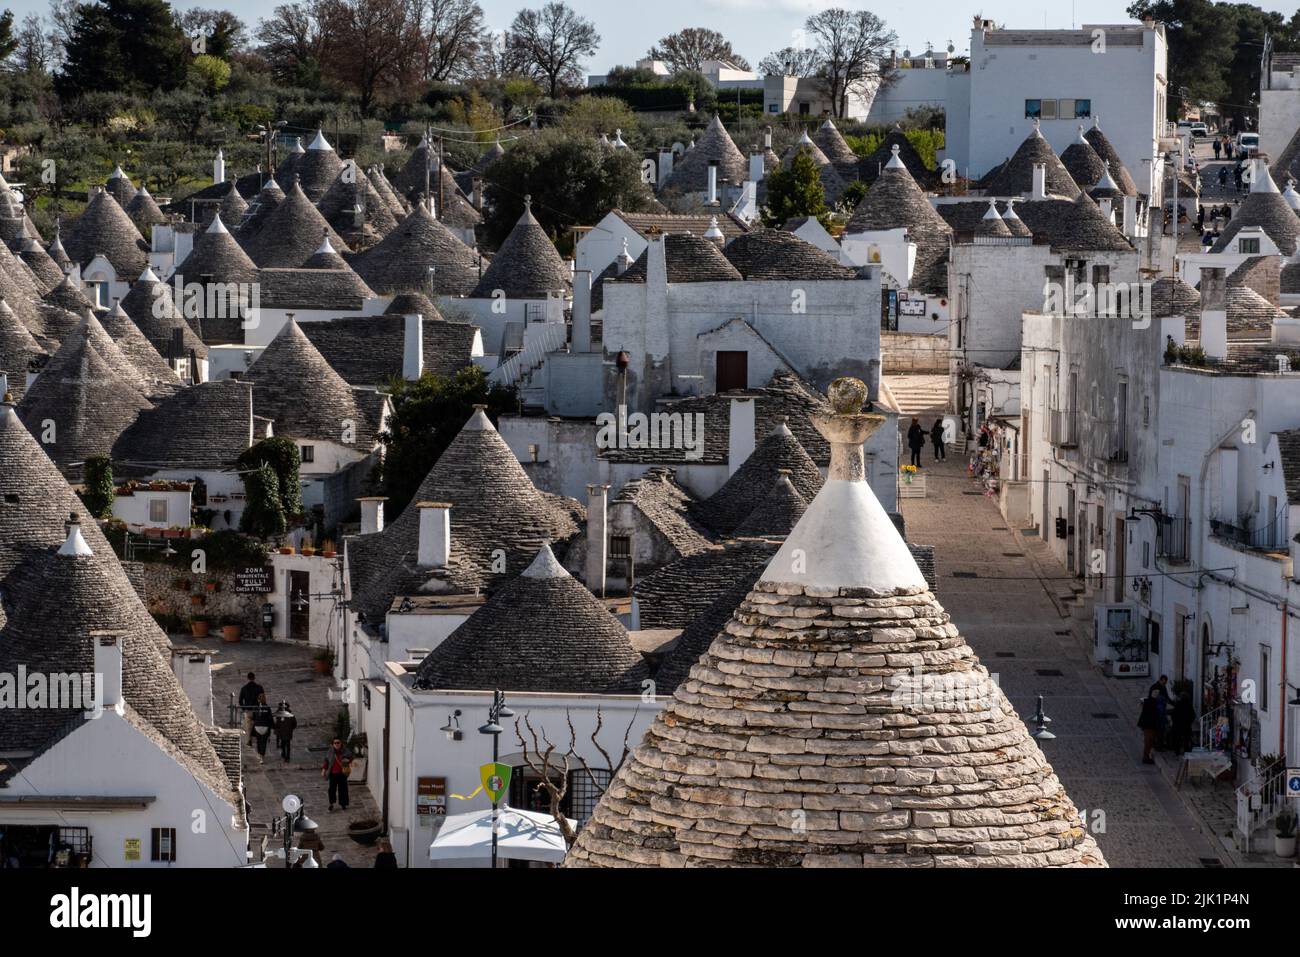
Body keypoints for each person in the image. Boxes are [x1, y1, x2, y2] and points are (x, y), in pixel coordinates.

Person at [322, 737, 352, 812]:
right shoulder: (330, 752)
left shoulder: (345, 751)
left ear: (341, 743)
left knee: (343, 789)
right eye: (335, 743)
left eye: (338, 742)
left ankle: (343, 804)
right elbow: (326, 761)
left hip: (342, 773)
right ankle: (331, 803)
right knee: (331, 789)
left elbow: (351, 757)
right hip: (333, 773)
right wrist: (323, 770)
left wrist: (347, 760)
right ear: (332, 744)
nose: (336, 744)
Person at [238, 672, 264, 747]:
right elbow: (262, 699)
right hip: (257, 709)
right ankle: (259, 739)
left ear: (247, 678)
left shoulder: (244, 688)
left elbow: (240, 701)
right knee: (259, 724)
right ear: (254, 677)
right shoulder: (259, 687)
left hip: (248, 710)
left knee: (248, 726)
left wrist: (244, 708)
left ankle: (249, 740)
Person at [1138, 689, 1162, 764]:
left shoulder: (1147, 701)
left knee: (1148, 741)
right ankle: (1146, 758)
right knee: (1148, 742)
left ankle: (1146, 756)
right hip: (1150, 726)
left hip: (1146, 725)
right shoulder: (1154, 703)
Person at [250, 694, 273, 762]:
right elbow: (270, 718)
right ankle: (262, 755)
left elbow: (253, 718)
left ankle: (259, 754)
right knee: (264, 742)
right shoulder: (267, 708)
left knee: (258, 741)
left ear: (258, 700)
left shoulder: (255, 707)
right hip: (265, 727)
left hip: (257, 726)